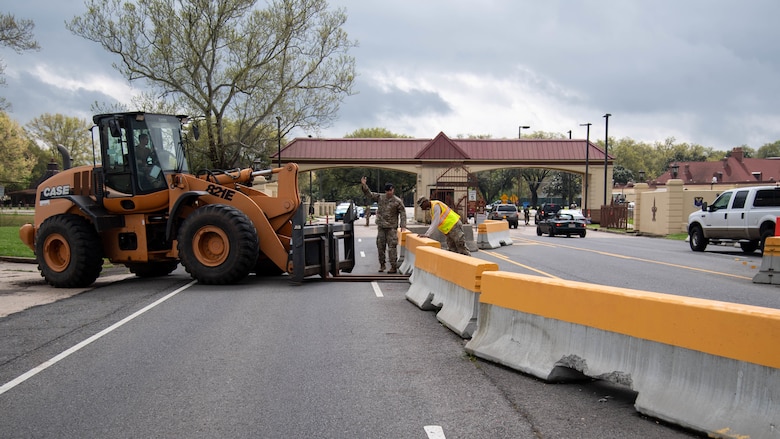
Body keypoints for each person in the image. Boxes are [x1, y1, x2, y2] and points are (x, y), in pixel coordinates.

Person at [361, 177, 406, 273]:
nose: (389, 192)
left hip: (391, 228)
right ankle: (382, 265)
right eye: (387, 191)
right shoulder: (380, 197)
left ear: (393, 190)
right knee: (380, 246)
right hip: (381, 227)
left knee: (392, 248)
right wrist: (364, 185)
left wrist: (403, 225)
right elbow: (369, 194)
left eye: (390, 190)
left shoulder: (397, 201)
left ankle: (393, 266)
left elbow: (403, 213)